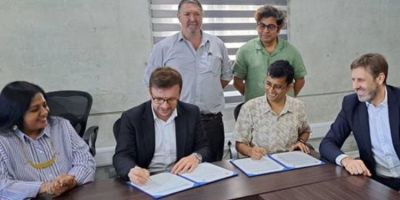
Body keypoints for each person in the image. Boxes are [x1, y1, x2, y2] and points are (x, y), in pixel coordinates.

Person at [144, 0, 232, 162]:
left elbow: (225, 77)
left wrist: (207, 90)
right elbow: (152, 83)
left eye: (197, 14)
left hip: (211, 122)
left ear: (202, 16)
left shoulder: (217, 44)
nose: (193, 18)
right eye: (187, 14)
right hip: (177, 121)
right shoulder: (163, 48)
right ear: (179, 17)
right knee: (182, 170)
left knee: (215, 172)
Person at [114, 67, 209, 185]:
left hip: (182, 177)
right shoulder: (132, 117)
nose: (165, 106)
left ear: (179, 94)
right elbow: (121, 156)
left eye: (171, 99)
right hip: (148, 180)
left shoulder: (191, 112)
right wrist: (132, 170)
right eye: (158, 99)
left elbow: (204, 147)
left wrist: (196, 157)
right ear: (150, 93)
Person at [0, 81, 95, 199]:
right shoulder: (3, 141)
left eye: (44, 105)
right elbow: (2, 186)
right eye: (35, 109)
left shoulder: (61, 126)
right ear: (16, 114)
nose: (45, 112)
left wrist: (71, 180)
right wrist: (44, 187)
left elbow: (86, 161)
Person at [320, 53, 400, 190]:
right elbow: (327, 144)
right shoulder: (351, 105)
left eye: (361, 80)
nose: (355, 86)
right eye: (353, 80)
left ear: (380, 78)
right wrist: (346, 160)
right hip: (376, 183)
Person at [234, 60, 311, 159]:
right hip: (262, 161)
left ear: (288, 87)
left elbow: (306, 131)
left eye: (277, 87)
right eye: (268, 84)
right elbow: (239, 143)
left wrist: (300, 142)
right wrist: (251, 151)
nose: (271, 90)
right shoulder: (250, 107)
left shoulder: (297, 106)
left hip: (290, 161)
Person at [233, 5, 307, 102]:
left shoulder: (291, 51)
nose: (265, 30)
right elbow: (237, 81)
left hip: (283, 109)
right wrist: (253, 98)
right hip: (256, 110)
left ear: (278, 29)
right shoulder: (245, 51)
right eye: (262, 25)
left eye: (271, 27)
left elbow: (300, 80)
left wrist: (288, 97)